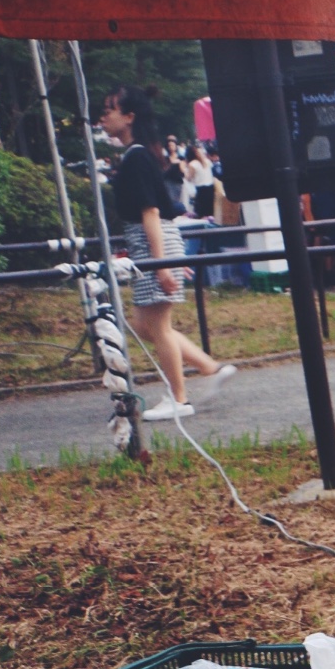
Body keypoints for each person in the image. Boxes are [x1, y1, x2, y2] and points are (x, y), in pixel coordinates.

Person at [100, 86, 233, 421]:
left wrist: (161, 265)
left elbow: (150, 212)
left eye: (110, 110)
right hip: (154, 242)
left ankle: (179, 398)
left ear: (129, 117)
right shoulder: (139, 154)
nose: (104, 116)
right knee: (146, 324)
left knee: (156, 326)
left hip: (152, 243)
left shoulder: (137, 157)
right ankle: (208, 367)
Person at [185, 140, 216, 223]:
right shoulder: (207, 161)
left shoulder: (192, 164)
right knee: (210, 210)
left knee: (201, 213)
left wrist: (185, 171)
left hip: (201, 190)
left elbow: (189, 178)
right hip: (211, 187)